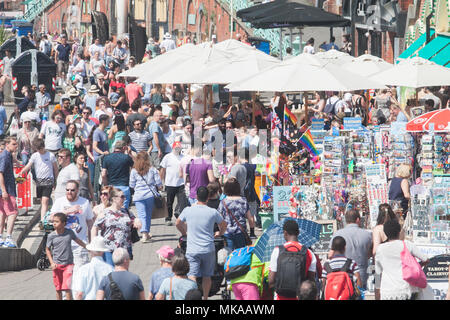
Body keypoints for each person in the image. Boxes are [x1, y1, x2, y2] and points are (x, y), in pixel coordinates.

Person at [176, 186, 227, 300]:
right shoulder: (212, 212)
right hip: (208, 248)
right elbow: (224, 224)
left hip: (192, 249)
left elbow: (178, 223)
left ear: (196, 197)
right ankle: (205, 298)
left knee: (192, 276)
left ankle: (193, 297)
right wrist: (220, 233)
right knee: (207, 276)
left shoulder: (188, 210)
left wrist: (184, 233)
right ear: (208, 198)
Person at [375, 219, 429, 300]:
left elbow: (378, 273)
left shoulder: (380, 249)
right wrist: (417, 266)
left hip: (388, 291)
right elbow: (425, 259)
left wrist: (377, 292)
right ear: (399, 231)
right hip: (407, 289)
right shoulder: (407, 245)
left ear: (385, 233)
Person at [51, 180, 94, 275]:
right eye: (67, 190)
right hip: (63, 246)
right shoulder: (59, 202)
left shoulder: (85, 203)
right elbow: (52, 218)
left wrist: (91, 244)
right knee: (65, 277)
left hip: (80, 245)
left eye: (72, 190)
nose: (69, 192)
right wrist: (68, 211)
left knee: (81, 276)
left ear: (78, 190)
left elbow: (90, 224)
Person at [91, 188, 142, 266]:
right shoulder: (105, 213)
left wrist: (137, 220)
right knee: (111, 272)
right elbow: (94, 228)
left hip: (124, 249)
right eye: (122, 197)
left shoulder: (126, 211)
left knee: (123, 273)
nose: (124, 199)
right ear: (114, 198)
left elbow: (134, 220)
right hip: (109, 249)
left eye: (124, 197)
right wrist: (94, 245)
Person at [268, 219, 317, 300]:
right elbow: (311, 282)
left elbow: (271, 281)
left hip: (281, 297)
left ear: (285, 233)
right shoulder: (308, 253)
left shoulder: (277, 251)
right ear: (298, 232)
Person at [46, 212, 87, 300]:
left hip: (68, 264)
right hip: (57, 265)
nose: (54, 223)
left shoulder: (69, 232)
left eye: (57, 221)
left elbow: (78, 240)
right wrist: (52, 263)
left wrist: (87, 247)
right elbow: (47, 249)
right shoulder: (51, 236)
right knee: (58, 289)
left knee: (67, 288)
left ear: (64, 223)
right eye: (53, 221)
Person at [18, 138, 58, 224]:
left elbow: (55, 169)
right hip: (39, 182)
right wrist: (21, 172)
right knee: (42, 201)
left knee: (45, 200)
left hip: (48, 181)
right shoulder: (35, 156)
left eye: (41, 148)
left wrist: (55, 181)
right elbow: (28, 166)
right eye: (38, 149)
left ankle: (43, 220)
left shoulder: (50, 155)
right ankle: (45, 215)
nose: (40, 151)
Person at [331, 209, 372, 289]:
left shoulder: (337, 234)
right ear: (357, 219)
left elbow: (331, 254)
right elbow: (370, 253)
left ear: (345, 220)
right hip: (361, 273)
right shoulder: (367, 235)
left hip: (342, 274)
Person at [372, 203, 404, 300]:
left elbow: (375, 250)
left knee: (378, 287)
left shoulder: (378, 229)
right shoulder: (399, 228)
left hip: (381, 265)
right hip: (397, 263)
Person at [129, 151, 162, 243]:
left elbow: (131, 184)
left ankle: (144, 233)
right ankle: (145, 233)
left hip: (138, 196)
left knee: (142, 215)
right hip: (149, 195)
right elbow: (158, 183)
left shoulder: (134, 171)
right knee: (148, 215)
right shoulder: (152, 169)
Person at [217, 178, 256, 250]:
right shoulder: (243, 200)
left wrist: (221, 231)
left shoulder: (223, 202)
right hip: (240, 232)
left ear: (226, 188)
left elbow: (220, 219)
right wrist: (252, 231)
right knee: (240, 254)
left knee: (230, 254)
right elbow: (250, 218)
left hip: (227, 232)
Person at [72, 236, 114, 300]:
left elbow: (79, 294)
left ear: (91, 251)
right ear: (103, 251)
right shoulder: (110, 269)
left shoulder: (83, 270)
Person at [160, 141, 188, 226]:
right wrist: (161, 181)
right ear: (173, 148)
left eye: (179, 148)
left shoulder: (184, 157)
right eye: (176, 148)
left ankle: (179, 216)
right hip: (170, 183)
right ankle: (168, 218)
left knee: (181, 201)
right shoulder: (167, 157)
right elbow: (163, 170)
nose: (177, 149)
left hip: (181, 183)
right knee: (169, 202)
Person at [102, 140, 134, 209]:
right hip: (124, 186)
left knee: (112, 210)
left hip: (112, 187)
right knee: (124, 211)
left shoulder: (107, 158)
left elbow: (103, 174)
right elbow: (134, 170)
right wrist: (129, 153)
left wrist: (106, 185)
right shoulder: (126, 158)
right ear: (124, 148)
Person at [0, 137, 19, 248]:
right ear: (7, 144)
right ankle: (8, 238)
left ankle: (1, 236)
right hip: (7, 189)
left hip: (6, 189)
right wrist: (4, 190)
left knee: (2, 213)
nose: (15, 146)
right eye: (13, 144)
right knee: (13, 213)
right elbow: (0, 173)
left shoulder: (8, 155)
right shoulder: (5, 156)